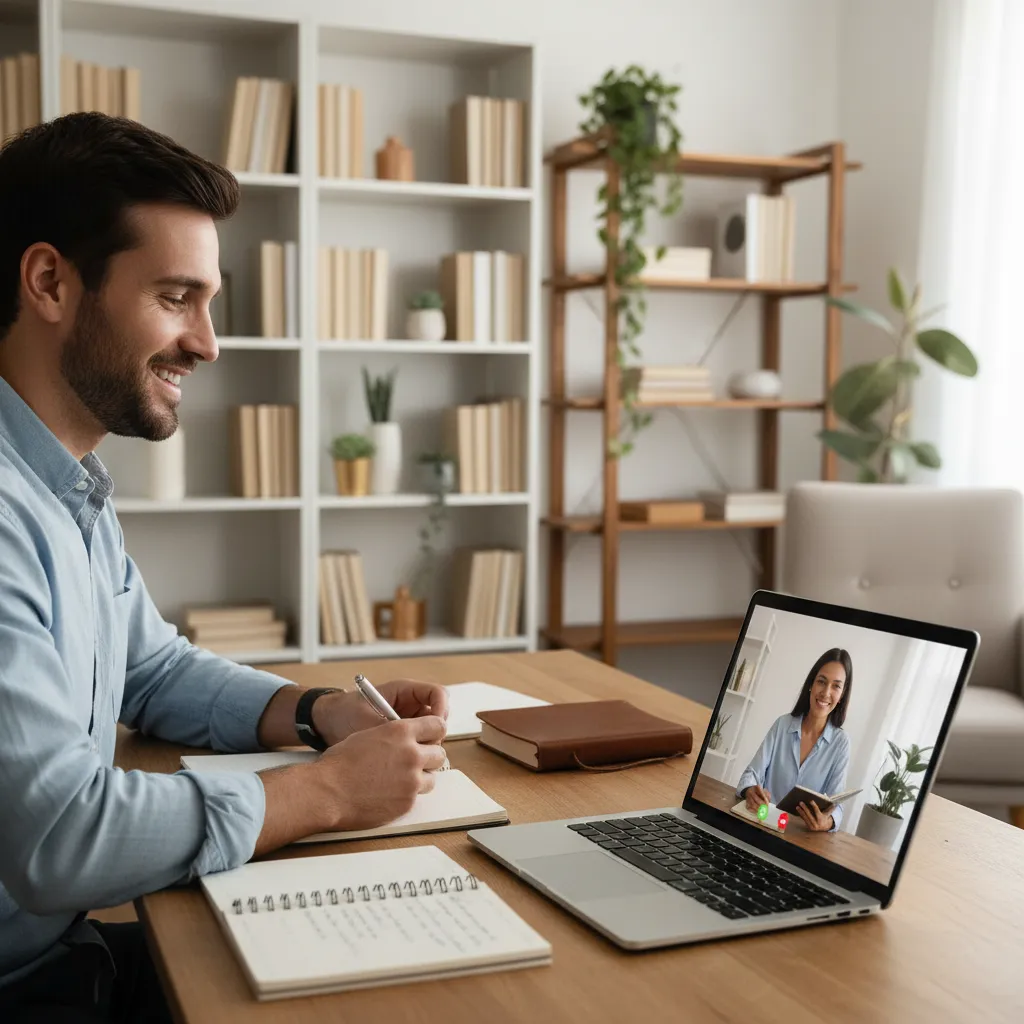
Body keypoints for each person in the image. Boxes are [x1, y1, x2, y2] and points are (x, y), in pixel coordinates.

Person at [0, 113, 450, 1022]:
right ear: (50, 282)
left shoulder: (65, 483)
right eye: (176, 298)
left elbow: (151, 666)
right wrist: (322, 792)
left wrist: (317, 712)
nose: (207, 343)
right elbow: (59, 836)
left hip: (59, 951)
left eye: (209, 302)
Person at [735, 648, 853, 833]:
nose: (826, 692)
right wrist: (750, 790)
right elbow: (750, 774)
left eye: (836, 686)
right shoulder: (782, 725)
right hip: (760, 827)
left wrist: (827, 822)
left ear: (842, 695)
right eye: (821, 681)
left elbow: (837, 806)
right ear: (811, 684)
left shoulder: (841, 743)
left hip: (800, 839)